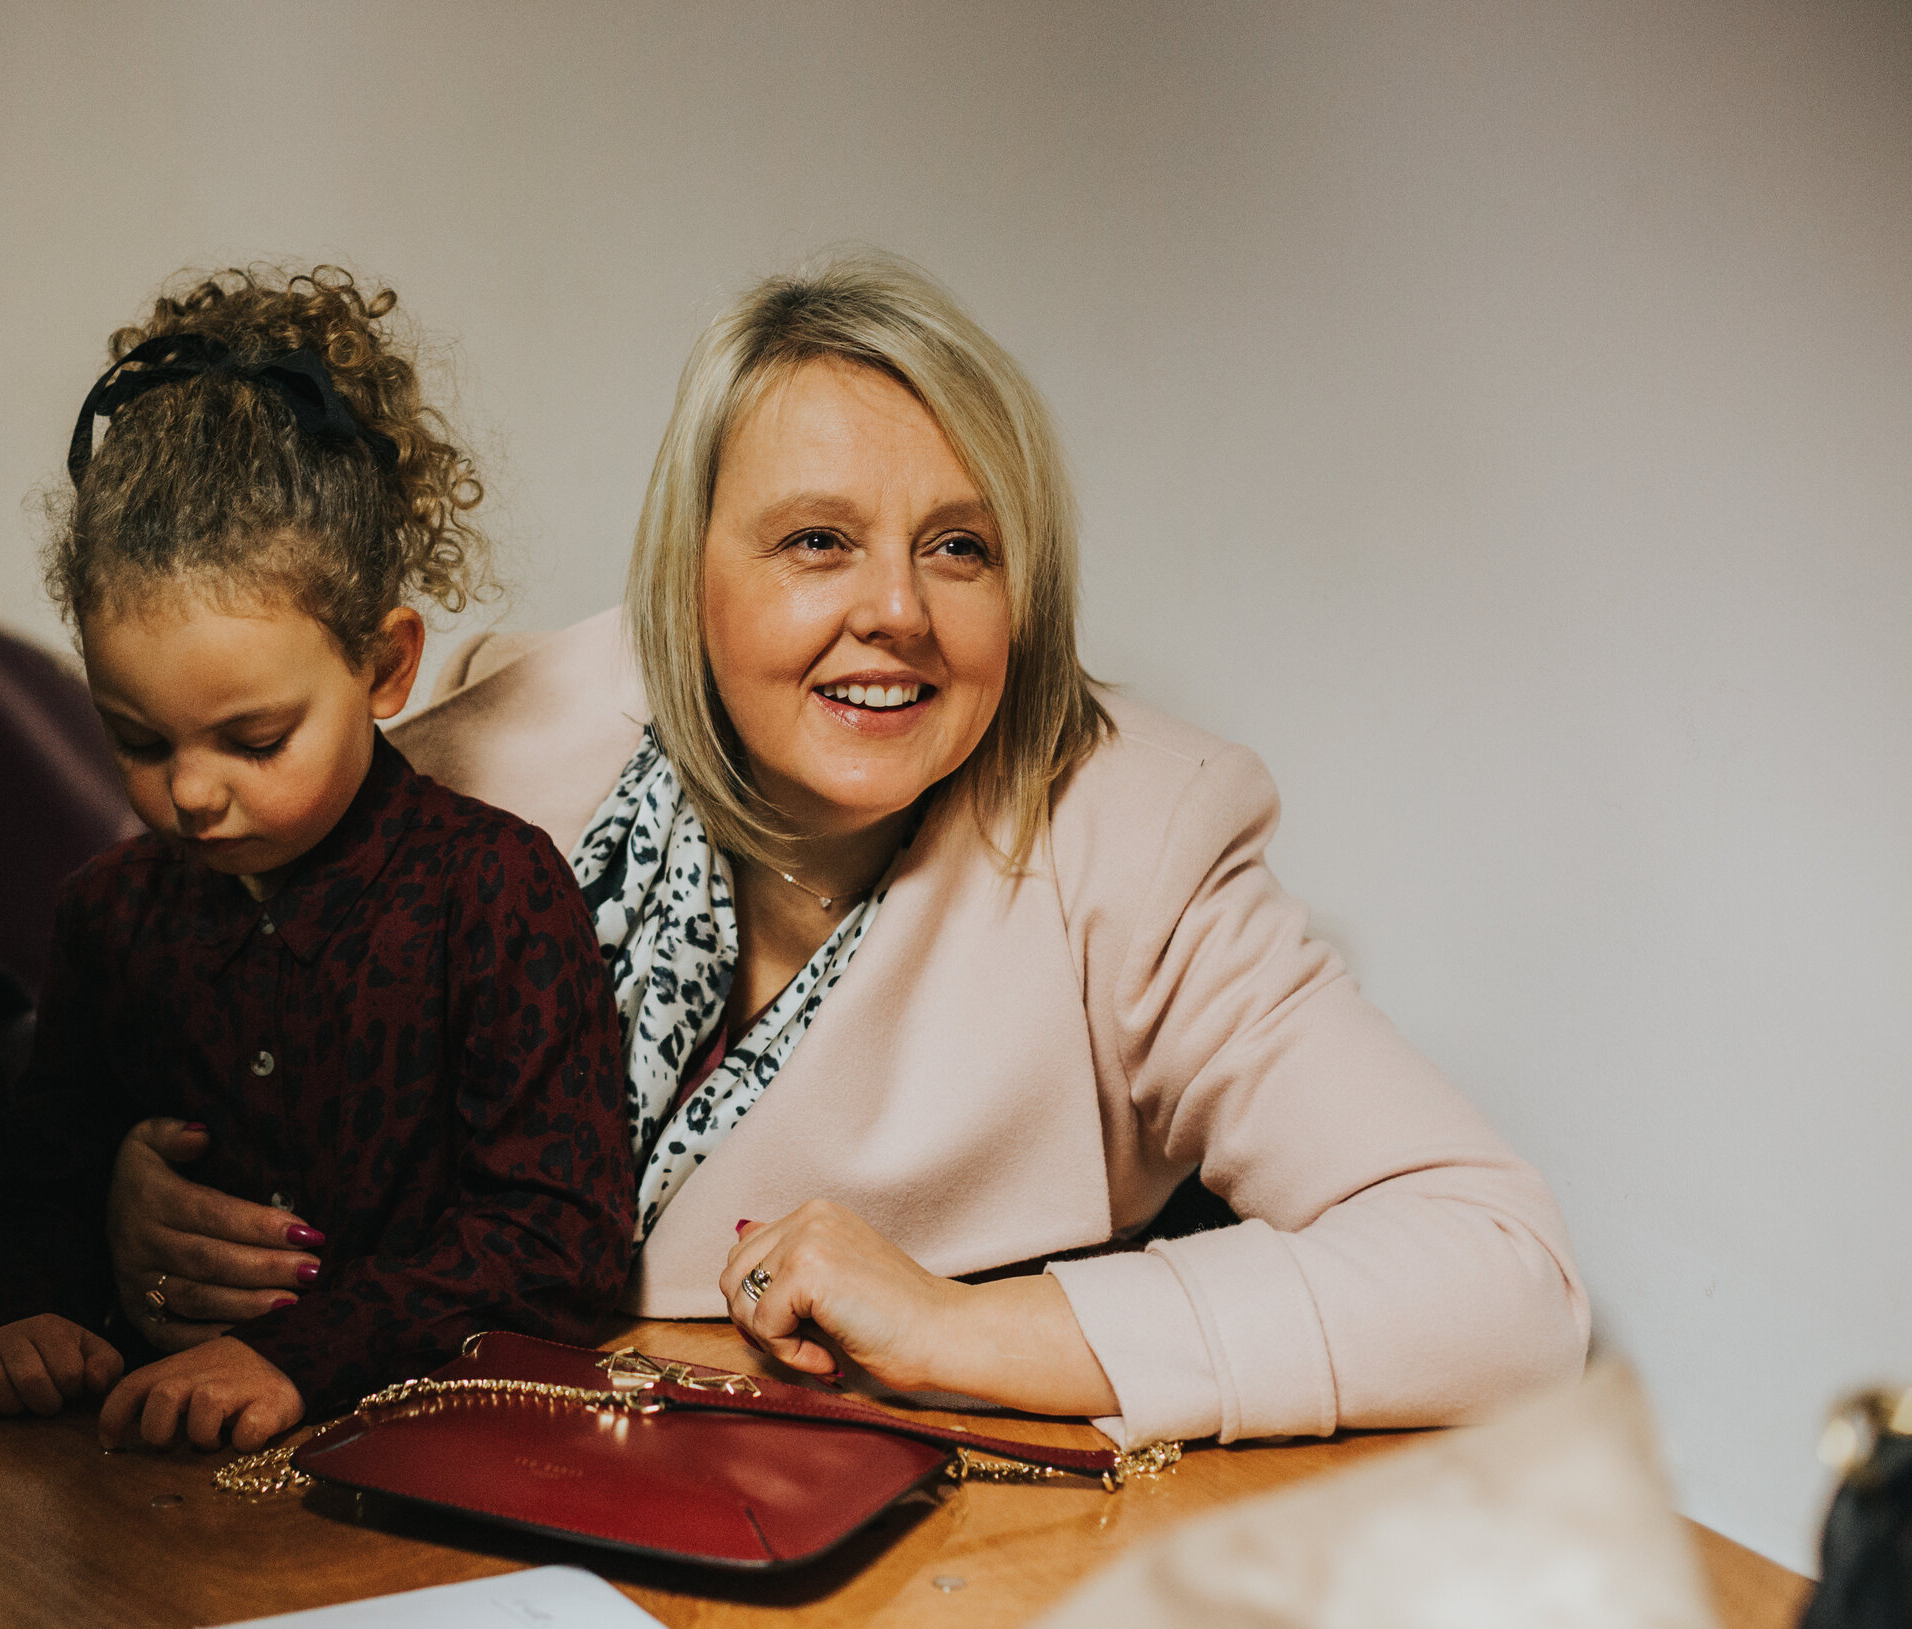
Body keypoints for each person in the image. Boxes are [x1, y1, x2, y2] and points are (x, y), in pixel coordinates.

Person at [105, 252, 1589, 1450]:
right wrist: (144, 1199)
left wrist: (970, 1327)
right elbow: (235, 1030)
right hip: (456, 1500)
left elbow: (1505, 1275)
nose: (897, 610)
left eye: (959, 545)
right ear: (690, 575)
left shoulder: (1140, 837)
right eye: (818, 539)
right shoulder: (493, 748)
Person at [0, 267, 635, 1453]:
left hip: (434, 1470)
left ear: (385, 668)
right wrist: (34, 1306)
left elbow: (562, 1239)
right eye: (137, 738)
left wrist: (301, 1352)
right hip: (155, 1482)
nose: (190, 791)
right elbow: (40, 1177)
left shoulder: (493, 893)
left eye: (254, 738)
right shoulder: (109, 916)